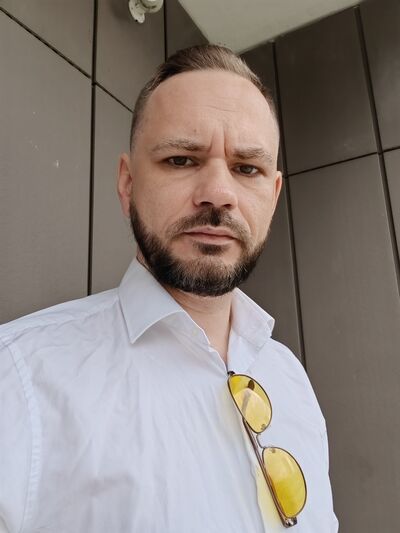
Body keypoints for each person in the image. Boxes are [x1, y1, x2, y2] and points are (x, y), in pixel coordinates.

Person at [0, 45, 338, 532]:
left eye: (247, 168)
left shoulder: (291, 379)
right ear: (127, 184)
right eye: (181, 159)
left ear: (274, 193)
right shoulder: (20, 380)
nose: (218, 194)